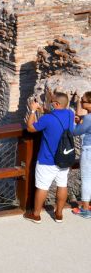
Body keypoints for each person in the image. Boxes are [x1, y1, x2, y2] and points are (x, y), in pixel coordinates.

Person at [24, 91, 76, 223]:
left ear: (57, 104)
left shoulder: (47, 119)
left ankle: (36, 215)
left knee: (42, 187)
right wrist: (43, 110)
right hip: (64, 158)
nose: (51, 104)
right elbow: (56, 116)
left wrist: (33, 111)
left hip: (47, 159)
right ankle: (59, 214)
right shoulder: (70, 114)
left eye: (52, 102)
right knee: (62, 185)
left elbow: (30, 128)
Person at [72, 92, 91, 218]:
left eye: (83, 101)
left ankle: (85, 209)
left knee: (86, 179)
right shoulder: (87, 118)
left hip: (89, 150)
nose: (81, 103)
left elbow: (75, 132)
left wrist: (76, 123)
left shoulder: (88, 118)